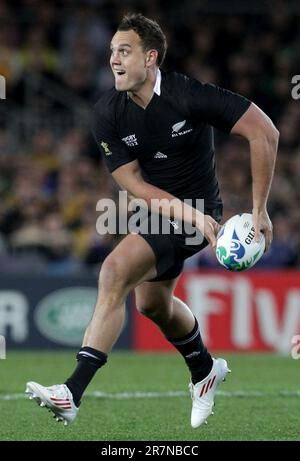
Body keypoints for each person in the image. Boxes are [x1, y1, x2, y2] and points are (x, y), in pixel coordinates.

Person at [26, 13, 279, 428]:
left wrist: (259, 209)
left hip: (202, 208)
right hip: (165, 210)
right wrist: (187, 214)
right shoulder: (107, 111)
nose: (113, 60)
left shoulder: (188, 95)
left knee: (114, 271)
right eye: (111, 52)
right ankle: (204, 370)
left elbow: (264, 133)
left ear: (150, 58)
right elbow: (135, 185)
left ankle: (71, 392)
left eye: (124, 51)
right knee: (152, 304)